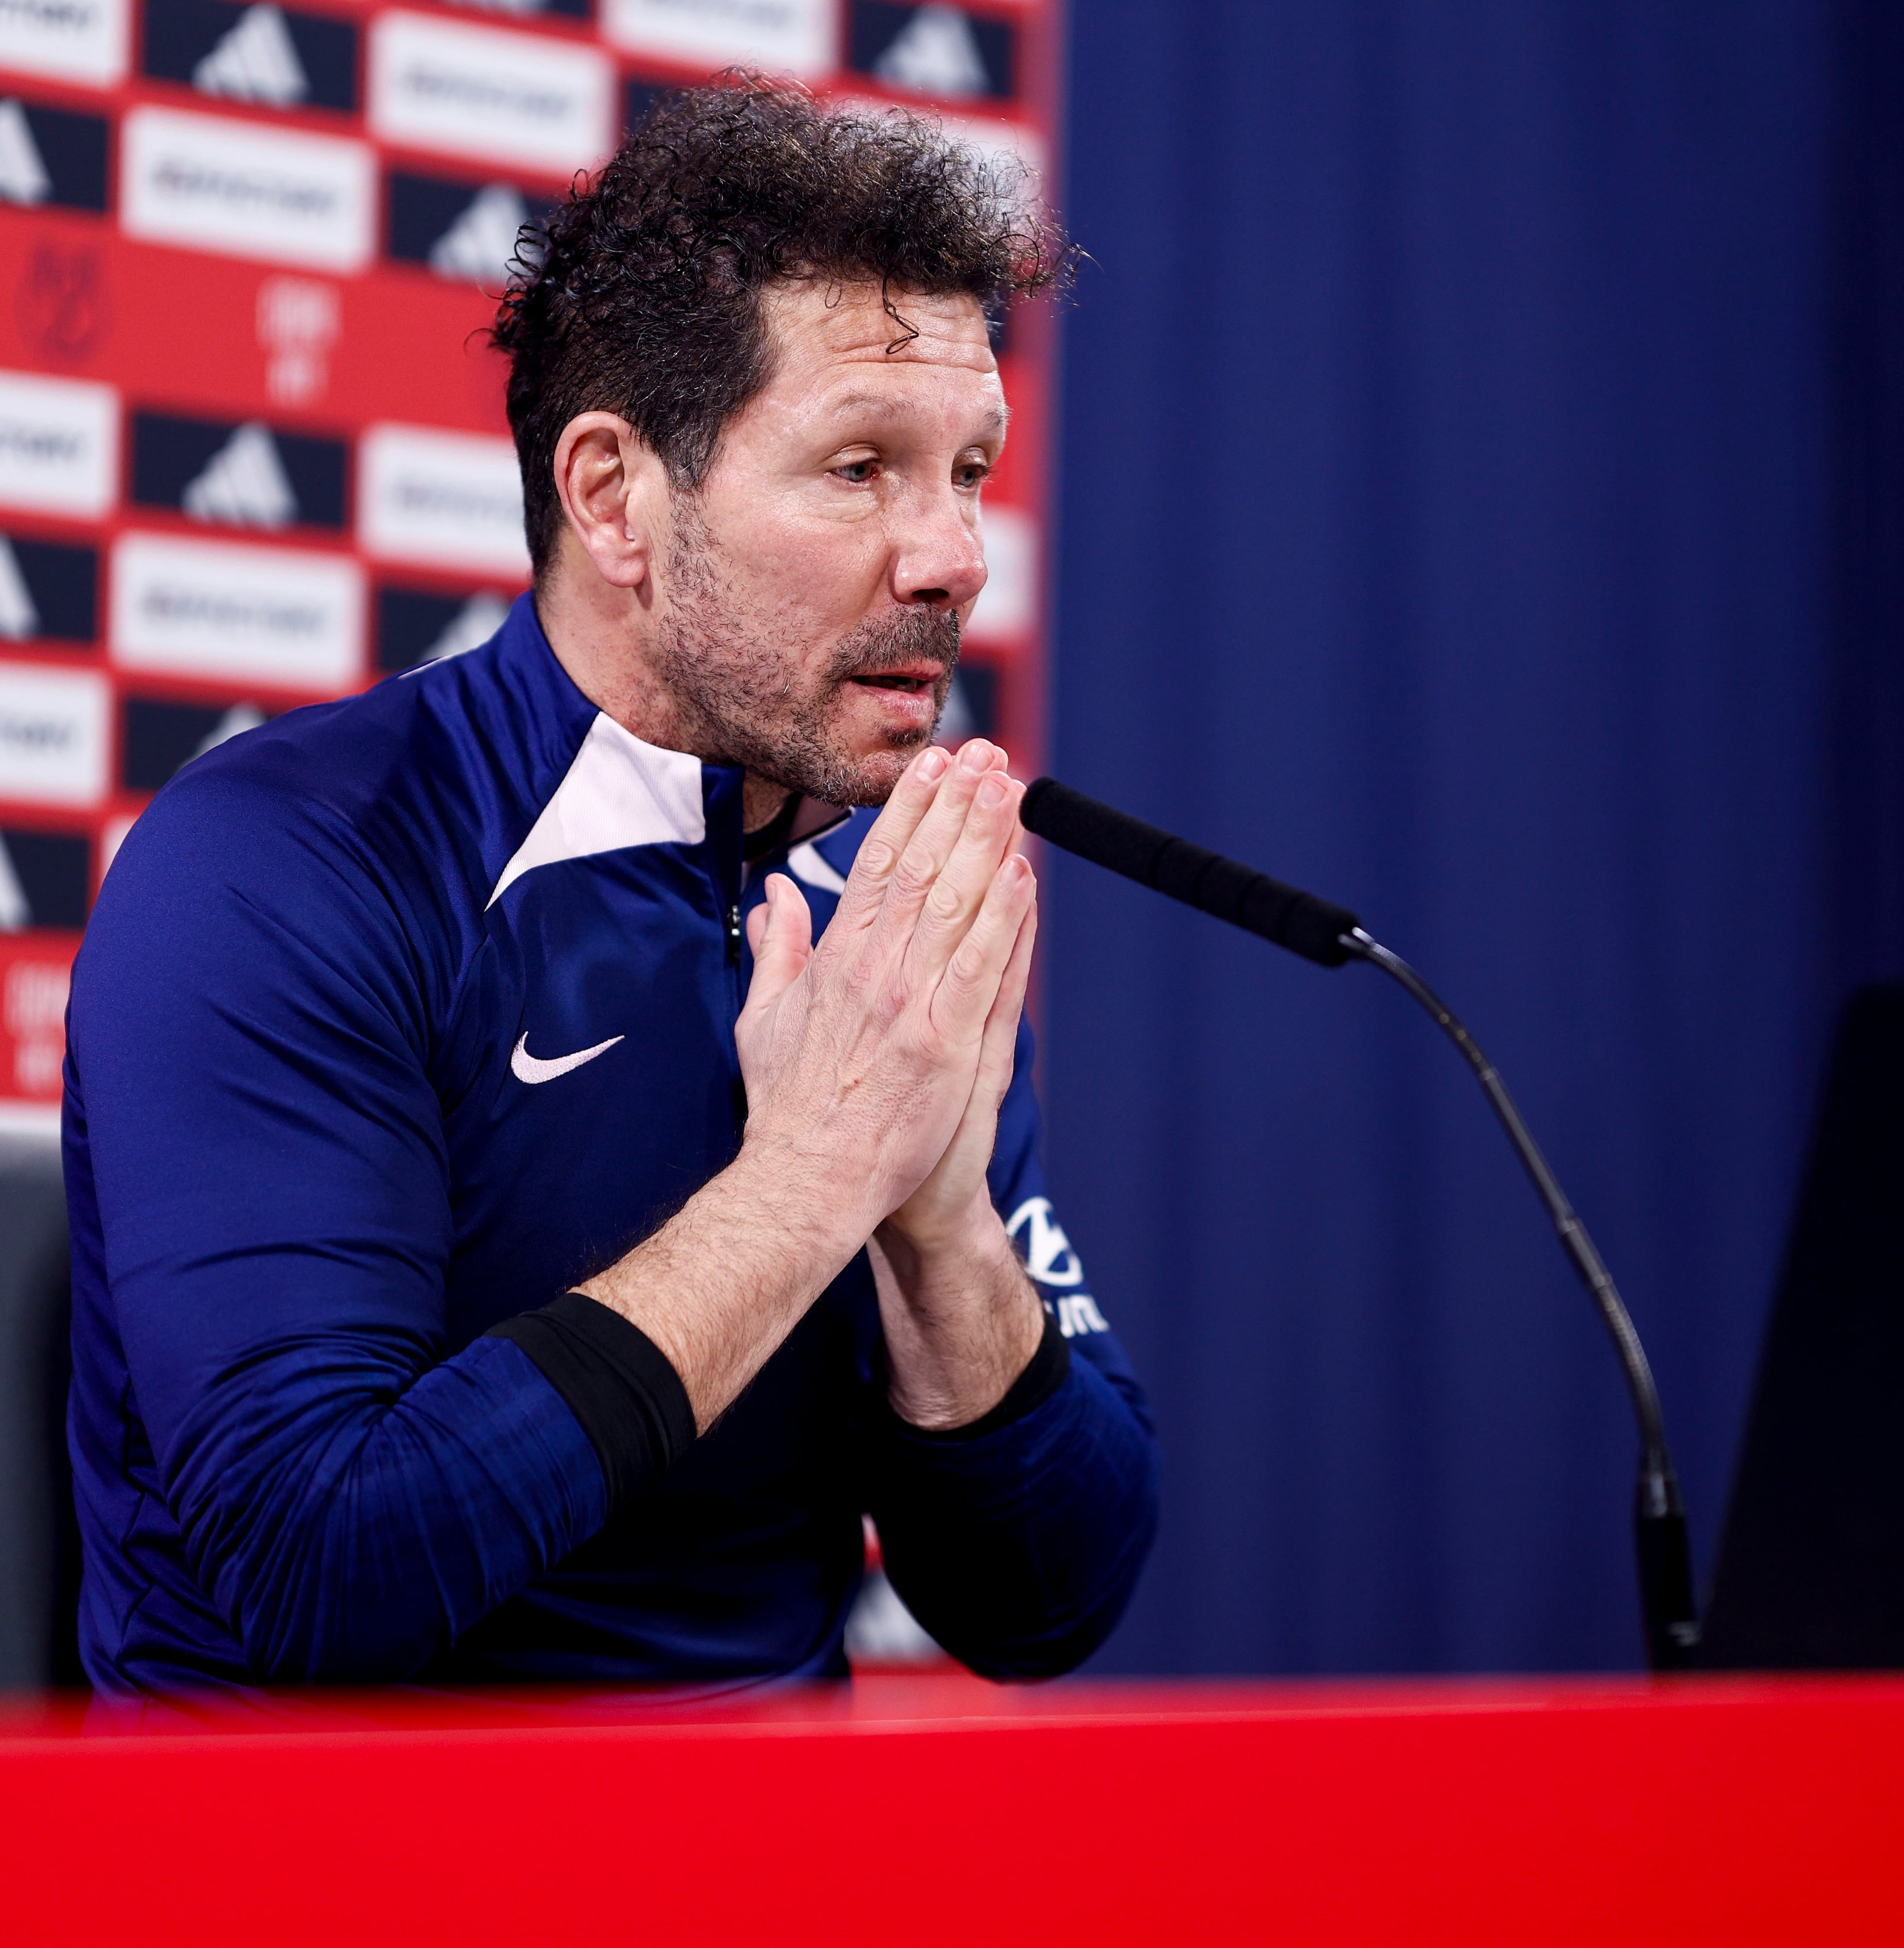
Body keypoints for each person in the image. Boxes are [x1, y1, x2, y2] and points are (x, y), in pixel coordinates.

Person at [61, 80, 1158, 1708]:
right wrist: (809, 1186)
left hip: (769, 1863)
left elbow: (1048, 1602)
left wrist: (933, 1223)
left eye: (971, 469)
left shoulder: (885, 901)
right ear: (612, 498)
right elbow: (315, 1567)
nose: (954, 556)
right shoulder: (286, 861)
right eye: (862, 468)